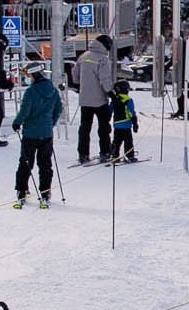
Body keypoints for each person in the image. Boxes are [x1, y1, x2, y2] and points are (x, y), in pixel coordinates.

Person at [12, 62, 62, 208]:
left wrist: (17, 123)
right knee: (45, 163)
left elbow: (25, 111)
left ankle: (22, 190)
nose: (27, 78)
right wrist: (50, 123)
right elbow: (58, 109)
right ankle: (45, 191)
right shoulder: (53, 90)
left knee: (26, 162)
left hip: (30, 133)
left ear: (33, 75)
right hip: (46, 133)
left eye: (28, 75)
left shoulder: (31, 92)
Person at [72, 33, 116, 165]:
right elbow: (105, 80)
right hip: (100, 100)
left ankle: (83, 154)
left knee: (84, 128)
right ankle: (105, 152)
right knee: (104, 128)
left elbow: (75, 77)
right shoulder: (103, 59)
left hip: (85, 99)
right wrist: (111, 93)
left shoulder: (83, 56)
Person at [104, 76, 140, 162]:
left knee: (116, 142)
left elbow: (110, 111)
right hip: (127, 125)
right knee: (128, 142)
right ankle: (129, 156)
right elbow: (131, 112)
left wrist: (107, 121)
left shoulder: (114, 99)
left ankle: (114, 155)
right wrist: (135, 123)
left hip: (117, 125)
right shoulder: (128, 100)